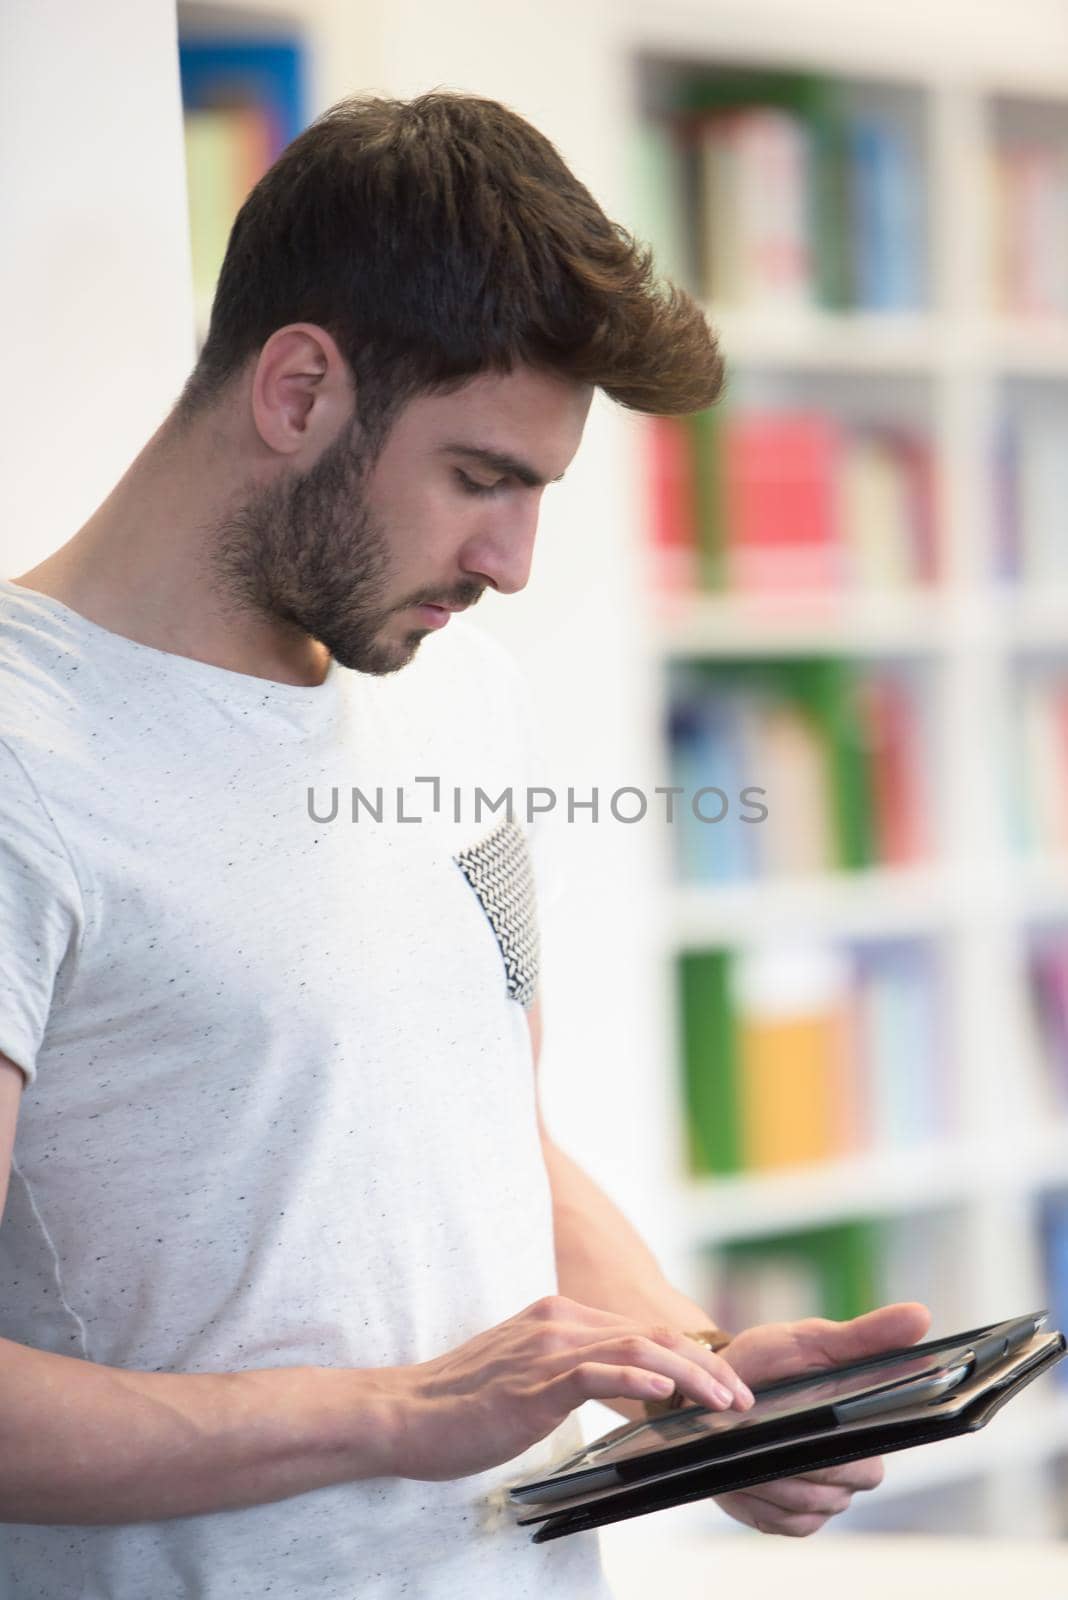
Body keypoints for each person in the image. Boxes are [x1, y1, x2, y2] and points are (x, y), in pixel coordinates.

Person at [0, 89, 929, 1598]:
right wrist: (388, 1413)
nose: (510, 561)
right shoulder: (22, 760)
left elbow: (488, 1119)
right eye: (481, 478)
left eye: (535, 491)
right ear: (298, 390)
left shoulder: (454, 695)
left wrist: (691, 1380)